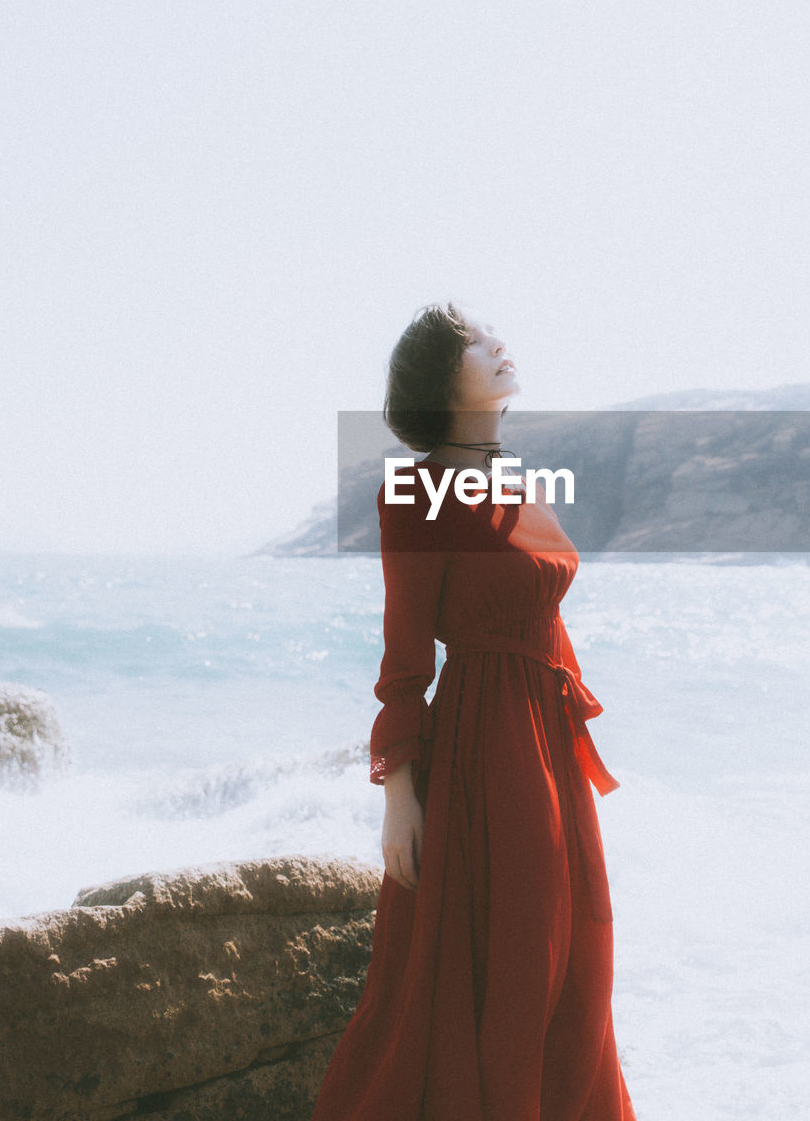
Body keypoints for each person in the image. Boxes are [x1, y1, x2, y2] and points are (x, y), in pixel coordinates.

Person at [310, 301, 637, 1121]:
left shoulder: (523, 486)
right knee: (518, 955)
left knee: (581, 950)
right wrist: (398, 795)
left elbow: (545, 621)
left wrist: (574, 747)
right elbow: (404, 661)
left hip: (549, 742)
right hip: (485, 744)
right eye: (474, 345)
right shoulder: (414, 490)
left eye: (493, 336)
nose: (498, 346)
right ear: (439, 382)